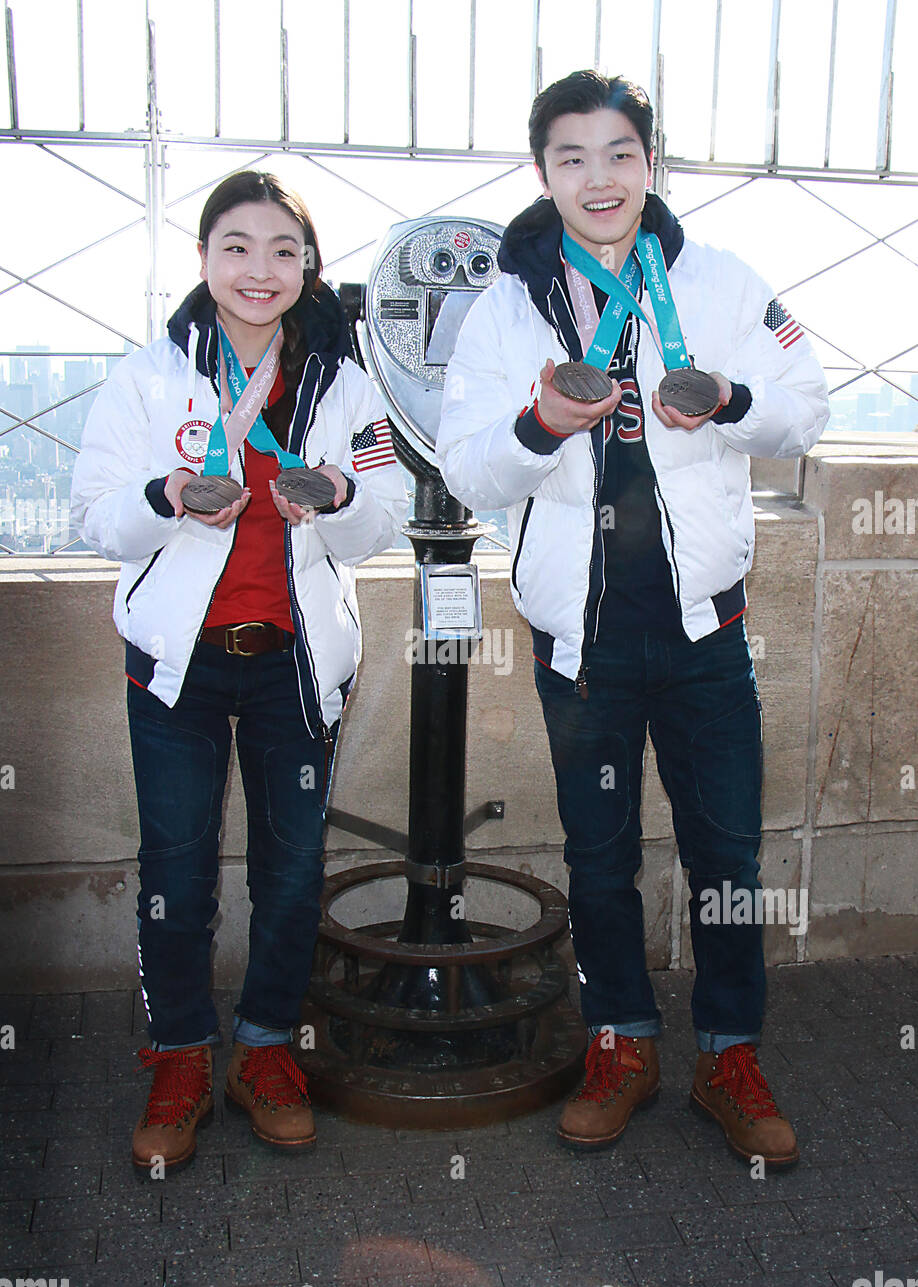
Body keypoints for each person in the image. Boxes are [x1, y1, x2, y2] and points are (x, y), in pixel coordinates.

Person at [437, 71, 829, 1166]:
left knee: (730, 860)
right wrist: (538, 422)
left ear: (651, 165)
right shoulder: (506, 306)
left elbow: (811, 401)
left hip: (706, 631)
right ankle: (620, 1039)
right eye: (572, 158)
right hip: (586, 642)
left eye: (619, 154)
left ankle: (731, 1053)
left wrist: (734, 403)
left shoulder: (719, 280)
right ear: (543, 173)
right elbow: (469, 469)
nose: (598, 178)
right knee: (599, 858)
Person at [71, 170, 408, 1170]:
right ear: (204, 259)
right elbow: (93, 516)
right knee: (175, 874)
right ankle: (178, 1055)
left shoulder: (346, 385)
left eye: (282, 251)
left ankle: (264, 1049)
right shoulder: (149, 375)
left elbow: (380, 521)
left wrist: (341, 494)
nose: (259, 270)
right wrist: (170, 491)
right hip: (177, 667)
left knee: (292, 872)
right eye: (236, 247)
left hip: (293, 669)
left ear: (308, 267)